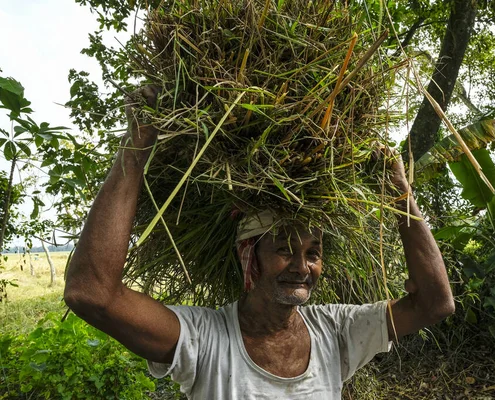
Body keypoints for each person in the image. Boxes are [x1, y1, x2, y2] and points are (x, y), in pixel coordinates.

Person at [64, 87, 454, 399]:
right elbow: (92, 294)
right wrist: (137, 146)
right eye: (285, 249)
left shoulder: (336, 331)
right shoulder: (205, 340)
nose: (302, 267)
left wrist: (400, 194)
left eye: (313, 253)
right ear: (247, 253)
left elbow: (435, 304)